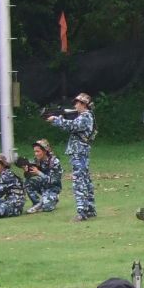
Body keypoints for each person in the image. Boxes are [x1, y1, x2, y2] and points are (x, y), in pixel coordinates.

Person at [46, 92, 97, 221]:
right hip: (80, 152)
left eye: (78, 103)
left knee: (79, 182)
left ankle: (82, 212)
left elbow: (72, 126)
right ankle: (90, 209)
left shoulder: (85, 116)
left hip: (79, 152)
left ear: (84, 104)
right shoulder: (86, 116)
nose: (75, 105)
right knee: (85, 180)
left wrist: (56, 120)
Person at [22, 140, 63, 213]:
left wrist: (38, 173)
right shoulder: (36, 160)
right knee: (28, 182)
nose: (36, 154)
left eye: (38, 151)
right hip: (42, 185)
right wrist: (27, 171)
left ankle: (52, 198)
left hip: (53, 188)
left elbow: (53, 180)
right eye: (35, 151)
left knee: (47, 208)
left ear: (44, 151)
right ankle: (36, 203)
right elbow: (28, 177)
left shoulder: (54, 162)